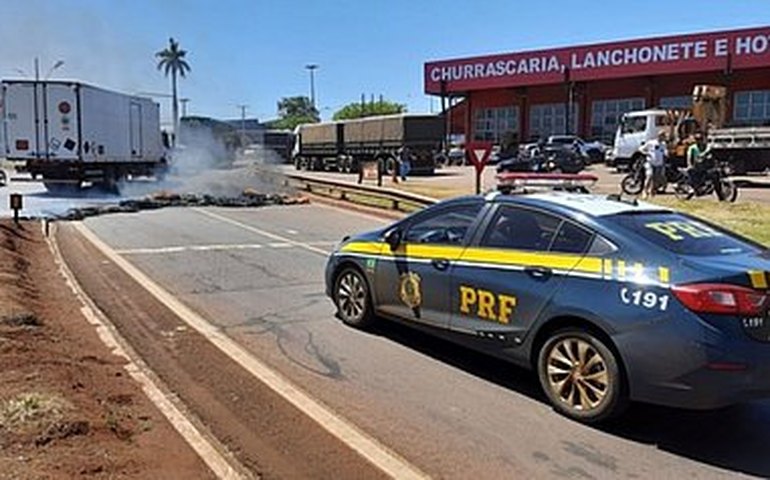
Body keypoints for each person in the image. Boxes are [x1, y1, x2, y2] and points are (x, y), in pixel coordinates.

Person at [639, 131, 667, 199]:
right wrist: (646, 153)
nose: (663, 137)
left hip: (659, 164)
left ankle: (652, 192)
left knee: (656, 180)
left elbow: (664, 152)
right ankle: (645, 191)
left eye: (664, 136)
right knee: (649, 176)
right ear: (658, 136)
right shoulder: (651, 142)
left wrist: (666, 154)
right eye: (662, 136)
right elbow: (641, 149)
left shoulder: (663, 144)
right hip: (650, 163)